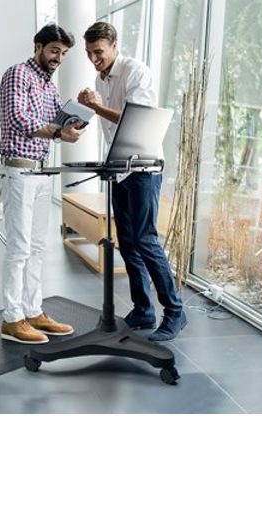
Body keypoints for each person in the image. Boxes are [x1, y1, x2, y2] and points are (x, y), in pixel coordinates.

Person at [77, 21, 187, 341]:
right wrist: (85, 110)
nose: (93, 59)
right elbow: (109, 120)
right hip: (120, 168)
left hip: (143, 168)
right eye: (89, 53)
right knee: (126, 241)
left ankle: (175, 311)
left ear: (114, 45)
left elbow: (135, 119)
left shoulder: (135, 72)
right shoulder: (100, 78)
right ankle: (143, 309)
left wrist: (96, 106)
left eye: (98, 52)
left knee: (145, 239)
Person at [0, 23, 85, 344]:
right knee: (19, 247)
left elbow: (56, 124)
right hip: (18, 171)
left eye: (63, 54)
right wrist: (59, 131)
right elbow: (18, 119)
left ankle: (33, 311)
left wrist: (75, 122)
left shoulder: (50, 87)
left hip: (41, 172)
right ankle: (12, 318)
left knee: (37, 247)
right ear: (38, 46)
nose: (58, 58)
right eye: (54, 51)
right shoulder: (17, 74)